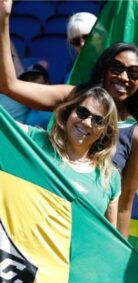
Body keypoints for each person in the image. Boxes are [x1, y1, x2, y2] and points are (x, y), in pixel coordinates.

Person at [0, 0, 138, 238]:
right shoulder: (72, 96)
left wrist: (117, 262)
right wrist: (3, 19)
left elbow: (123, 207)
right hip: (37, 222)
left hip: (83, 239)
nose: (123, 77)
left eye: (133, 73)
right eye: (116, 68)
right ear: (104, 69)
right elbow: (9, 86)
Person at [3, 85, 120, 224]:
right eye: (82, 112)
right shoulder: (34, 140)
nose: (87, 123)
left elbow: (109, 238)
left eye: (98, 121)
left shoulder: (110, 177)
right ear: (69, 112)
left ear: (105, 131)